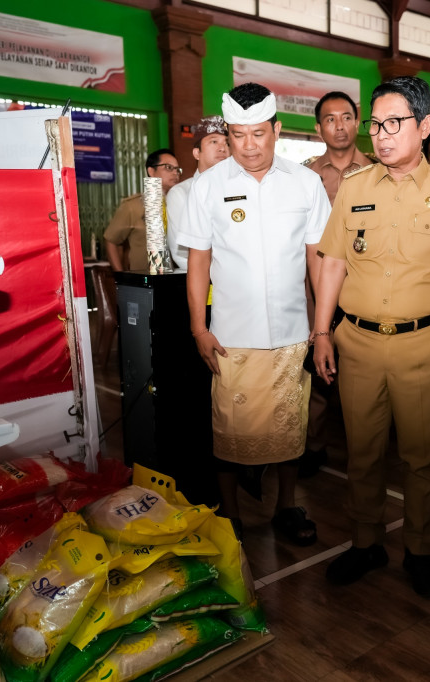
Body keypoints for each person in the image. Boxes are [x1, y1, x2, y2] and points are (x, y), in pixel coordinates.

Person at [313, 76, 430, 598]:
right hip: (357, 344)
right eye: (376, 124)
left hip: (424, 346)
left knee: (421, 457)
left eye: (395, 123)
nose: (382, 134)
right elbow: (332, 264)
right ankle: (365, 542)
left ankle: (420, 550)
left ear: (425, 125)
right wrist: (321, 332)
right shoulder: (355, 188)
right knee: (362, 454)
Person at [180, 82, 331, 545]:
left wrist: (322, 328)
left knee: (290, 429)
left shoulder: (305, 183)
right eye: (238, 135)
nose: (248, 146)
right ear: (228, 133)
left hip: (292, 331)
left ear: (277, 130)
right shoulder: (208, 186)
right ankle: (230, 514)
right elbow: (199, 262)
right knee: (229, 431)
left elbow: (318, 260)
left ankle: (286, 506)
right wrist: (199, 328)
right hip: (231, 335)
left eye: (259, 134)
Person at [299, 91, 377, 478]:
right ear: (319, 128)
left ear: (357, 122)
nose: (339, 126)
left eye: (346, 117)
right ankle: (313, 444)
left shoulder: (378, 170)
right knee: (317, 364)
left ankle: (364, 448)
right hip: (316, 284)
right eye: (330, 119)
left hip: (366, 283)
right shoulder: (305, 176)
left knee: (363, 368)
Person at [166, 117, 230, 271]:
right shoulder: (181, 194)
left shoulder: (239, 191)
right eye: (214, 142)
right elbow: (181, 255)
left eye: (227, 143)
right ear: (197, 153)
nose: (222, 148)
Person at [102, 148, 182, 272]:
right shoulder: (133, 206)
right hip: (145, 278)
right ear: (151, 171)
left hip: (178, 275)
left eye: (177, 169)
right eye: (168, 167)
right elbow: (111, 240)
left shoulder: (181, 204)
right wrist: (121, 277)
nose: (175, 173)